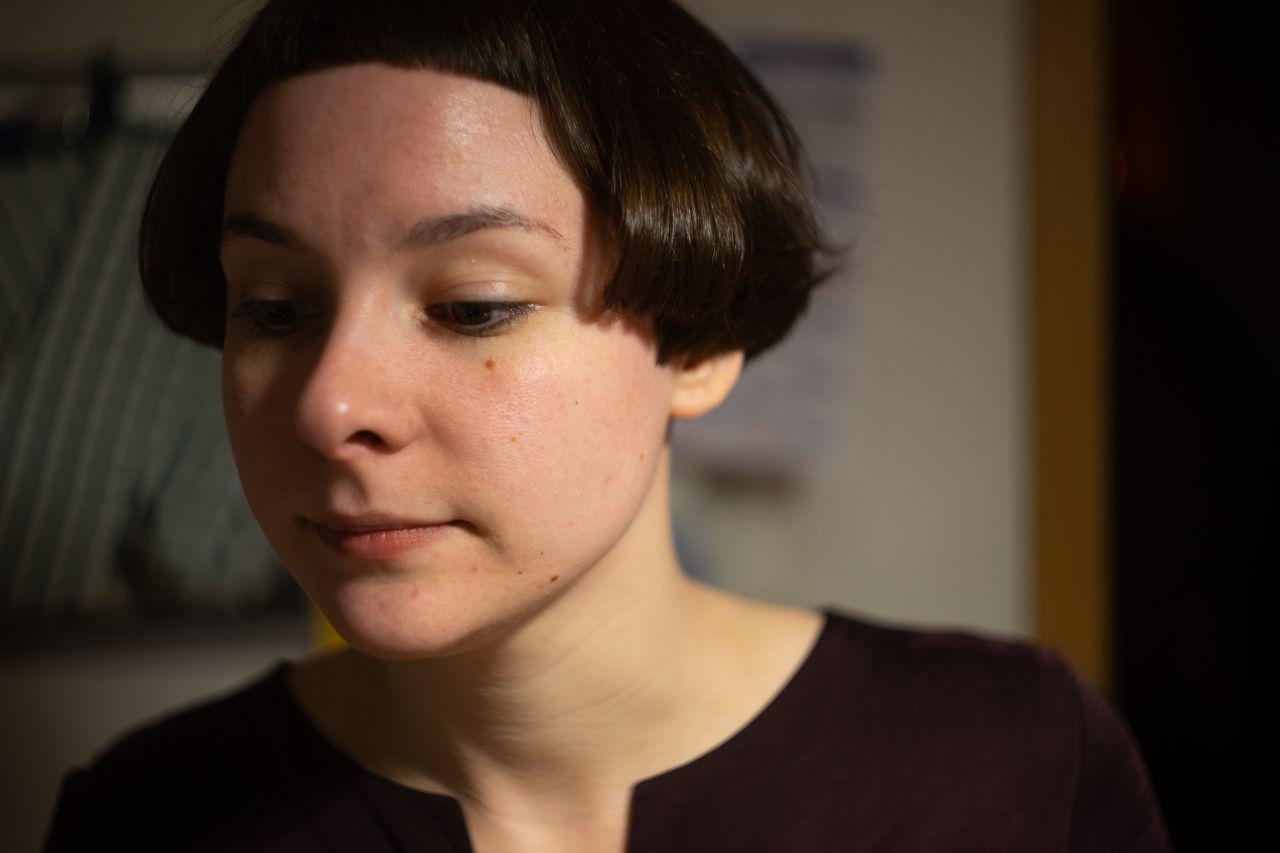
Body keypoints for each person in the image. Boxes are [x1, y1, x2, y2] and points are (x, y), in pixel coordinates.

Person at [44, 1, 1170, 850]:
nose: (330, 404)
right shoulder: (147, 818)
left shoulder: (1012, 765)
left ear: (697, 340)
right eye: (276, 309)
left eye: (471, 305)